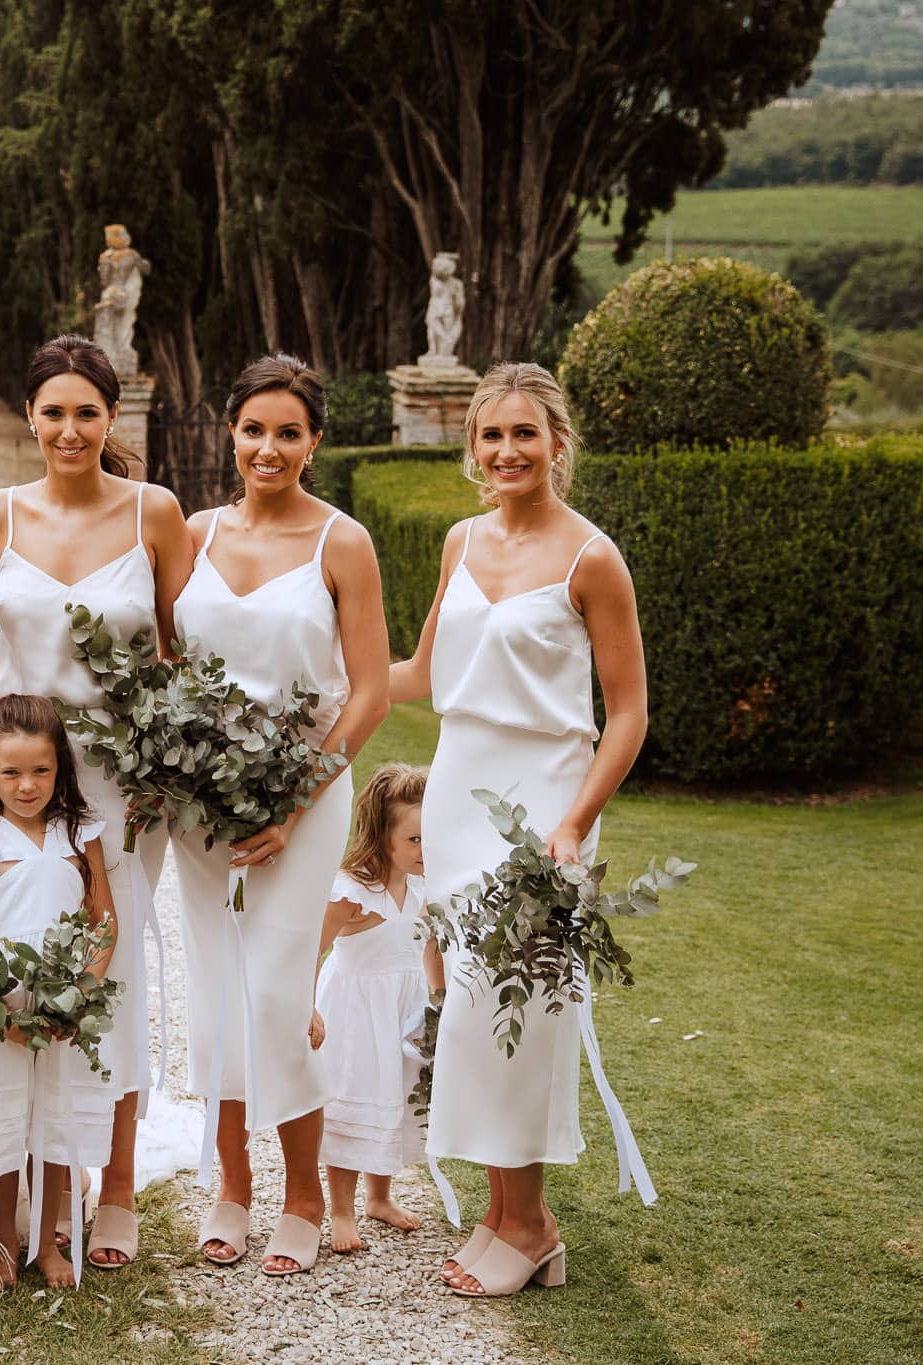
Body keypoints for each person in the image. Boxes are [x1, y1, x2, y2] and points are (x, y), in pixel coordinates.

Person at [389, 361, 649, 1298]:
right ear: (472, 447)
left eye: (523, 435)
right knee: (471, 1007)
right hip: (460, 791)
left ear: (556, 443)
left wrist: (576, 820)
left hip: (540, 803)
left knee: (521, 1011)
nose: (506, 451)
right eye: (490, 435)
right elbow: (421, 670)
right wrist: (311, 687)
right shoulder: (459, 542)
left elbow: (626, 714)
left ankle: (529, 1221)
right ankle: (509, 1216)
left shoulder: (592, 558)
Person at [0, 334, 193, 1270]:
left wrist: (160, 768)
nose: (69, 429)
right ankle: (26, 1180)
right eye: (52, 411)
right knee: (20, 966)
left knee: (116, 974)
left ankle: (118, 1187)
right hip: (19, 782)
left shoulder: (156, 511)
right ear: (28, 416)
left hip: (117, 785)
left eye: (86, 412)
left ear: (113, 418)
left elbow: (178, 658)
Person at [171, 353, 390, 1275]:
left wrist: (294, 805)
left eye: (288, 432)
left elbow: (371, 690)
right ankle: (231, 1187)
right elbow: (162, 670)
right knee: (213, 996)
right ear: (231, 433)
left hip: (302, 797)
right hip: (198, 807)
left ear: (314, 442)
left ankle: (302, 1194)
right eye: (253, 429)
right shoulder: (190, 533)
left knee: (273, 995)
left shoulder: (343, 541)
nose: (268, 447)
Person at [0, 694, 119, 1291]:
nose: (27, 786)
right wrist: (2, 1014)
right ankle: (3, 1240)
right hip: (0, 1012)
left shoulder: (78, 832)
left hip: (63, 1011)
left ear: (60, 769)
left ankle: (47, 1242)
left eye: (41, 771)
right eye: (11, 772)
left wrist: (82, 993)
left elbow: (104, 920)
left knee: (54, 1125)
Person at [313, 762, 443, 1254]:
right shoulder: (353, 892)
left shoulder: (426, 886)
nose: (424, 850)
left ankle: (379, 1197)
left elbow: (432, 947)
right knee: (353, 1101)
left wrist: (438, 1000)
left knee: (394, 1097)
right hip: (355, 1013)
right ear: (381, 835)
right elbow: (313, 947)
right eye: (413, 840)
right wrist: (307, 1008)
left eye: (430, 838)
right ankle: (342, 1211)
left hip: (402, 1010)